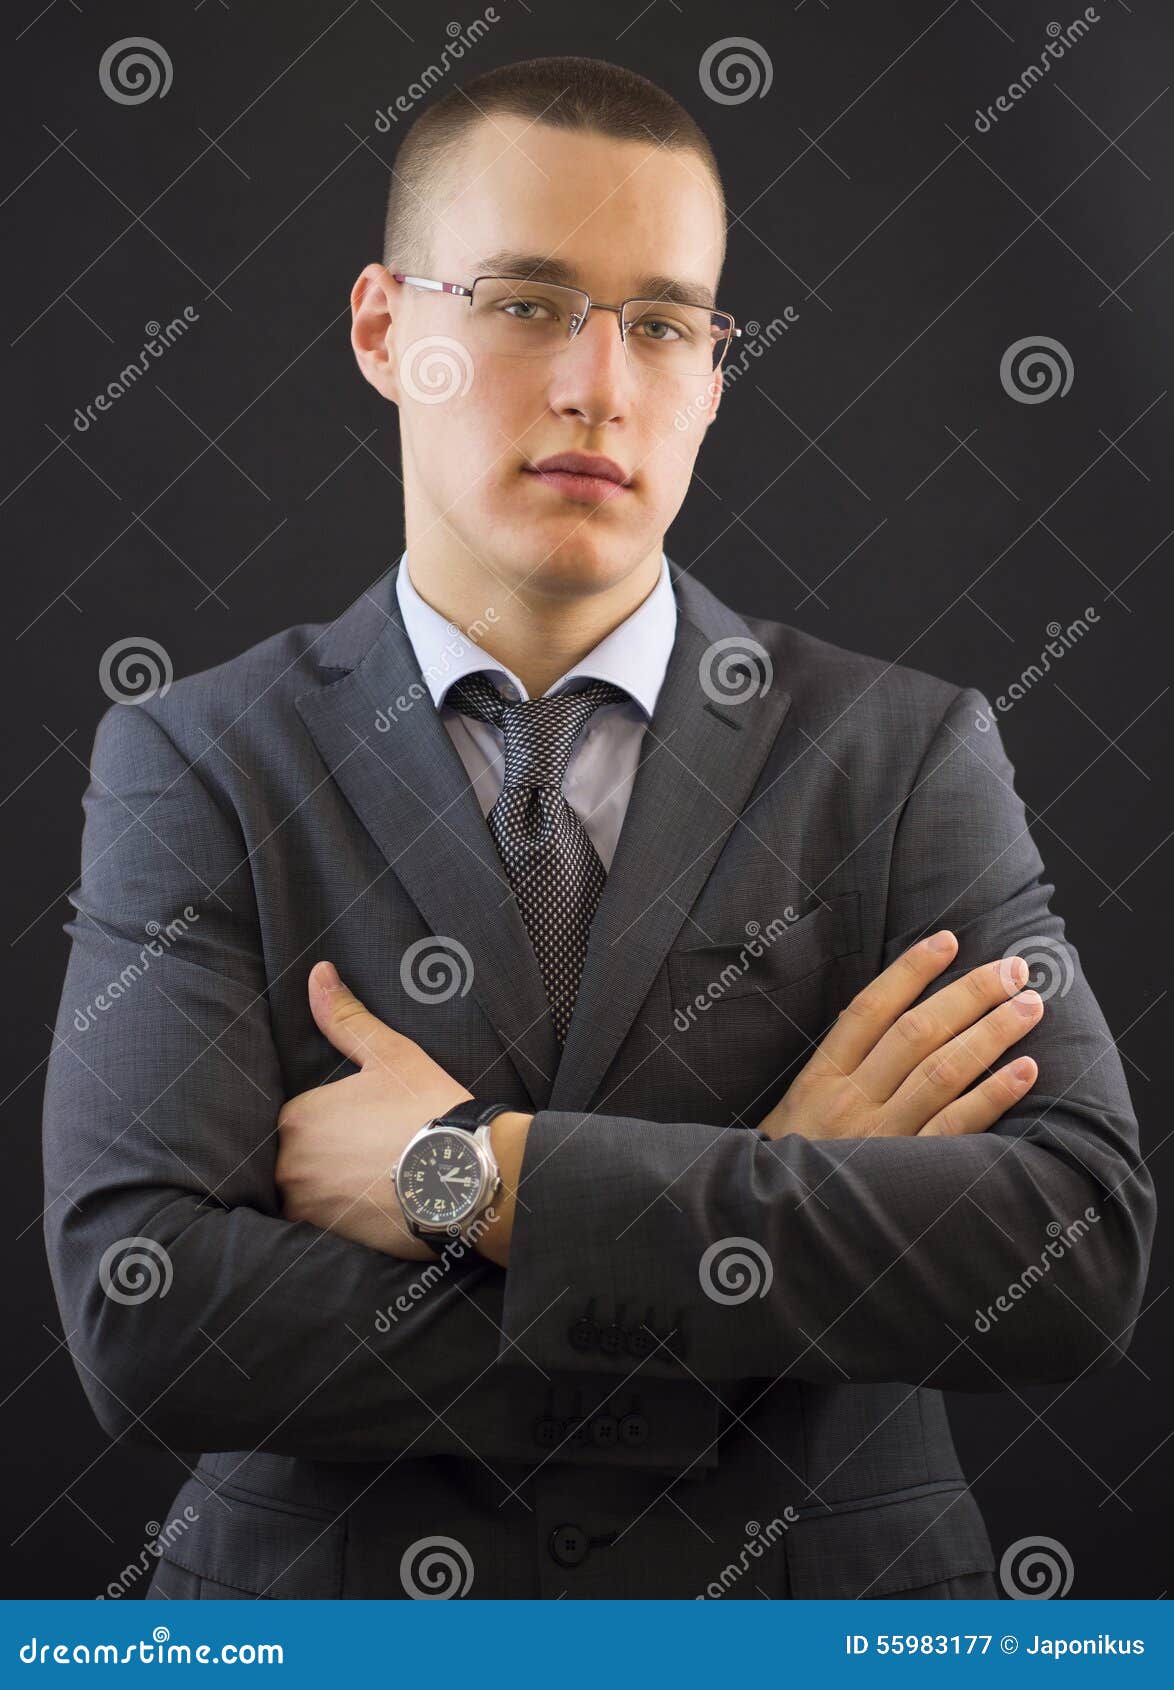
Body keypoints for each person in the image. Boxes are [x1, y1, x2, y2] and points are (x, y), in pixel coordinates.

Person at [43, 55, 1153, 1601]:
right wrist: (773, 1205)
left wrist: (474, 1180)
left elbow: (1072, 1244)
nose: (596, 384)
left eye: (661, 321)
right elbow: (150, 1317)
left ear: (709, 366)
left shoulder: (901, 754)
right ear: (384, 329)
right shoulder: (198, 756)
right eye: (521, 302)